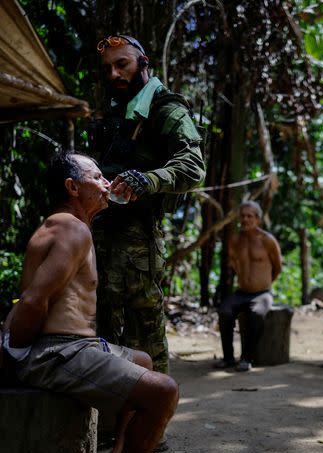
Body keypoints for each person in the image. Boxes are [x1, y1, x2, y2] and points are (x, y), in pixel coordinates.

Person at [0, 152, 179, 453]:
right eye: (96, 177)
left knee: (144, 361)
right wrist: (14, 354)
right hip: (57, 352)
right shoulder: (71, 228)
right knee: (164, 392)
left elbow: (25, 296)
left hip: (77, 345)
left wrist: (5, 346)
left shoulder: (67, 226)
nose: (106, 183)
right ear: (72, 187)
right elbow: (35, 300)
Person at [93, 34, 206, 374]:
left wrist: (149, 180)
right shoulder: (119, 113)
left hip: (139, 247)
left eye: (122, 64)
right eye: (109, 68)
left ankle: (150, 422)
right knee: (103, 338)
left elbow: (193, 166)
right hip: (102, 243)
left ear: (143, 63)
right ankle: (109, 425)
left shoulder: (166, 109)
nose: (114, 74)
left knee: (145, 340)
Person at [215, 201, 282, 372]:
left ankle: (247, 358)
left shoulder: (267, 240)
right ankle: (228, 358)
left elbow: (277, 267)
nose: (245, 219)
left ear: (258, 219)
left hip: (262, 293)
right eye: (242, 216)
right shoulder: (235, 240)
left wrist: (264, 283)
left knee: (256, 314)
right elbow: (233, 264)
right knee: (224, 311)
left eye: (249, 216)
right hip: (241, 292)